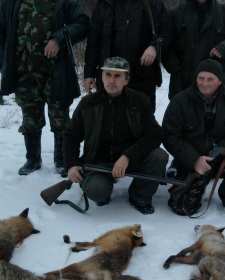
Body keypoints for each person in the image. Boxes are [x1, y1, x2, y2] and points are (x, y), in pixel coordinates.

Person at [0, 0, 89, 176]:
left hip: (56, 73)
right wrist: (1, 61)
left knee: (60, 120)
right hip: (24, 73)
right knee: (30, 119)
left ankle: (62, 160)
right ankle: (32, 159)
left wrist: (59, 38)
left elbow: (83, 23)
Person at [63, 57, 168, 214]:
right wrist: (71, 164)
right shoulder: (88, 103)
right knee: (97, 191)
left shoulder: (140, 101)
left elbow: (155, 133)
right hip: (98, 162)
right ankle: (102, 190)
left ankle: (140, 195)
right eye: (108, 75)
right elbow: (71, 136)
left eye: (118, 76)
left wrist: (127, 156)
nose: (112, 80)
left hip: (130, 159)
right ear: (102, 77)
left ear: (127, 80)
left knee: (159, 156)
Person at [162, 59, 225, 216]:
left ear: (220, 81)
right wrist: (194, 160)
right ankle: (195, 186)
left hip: (224, 157)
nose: (204, 83)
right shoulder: (180, 101)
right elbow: (170, 136)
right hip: (192, 159)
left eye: (210, 79)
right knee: (183, 209)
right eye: (201, 78)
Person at [84, 0, 173, 112]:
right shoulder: (103, 6)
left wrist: (154, 46)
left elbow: (168, 32)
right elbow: (93, 42)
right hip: (111, 78)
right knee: (109, 124)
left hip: (142, 79)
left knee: (142, 125)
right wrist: (89, 73)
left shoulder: (153, 5)